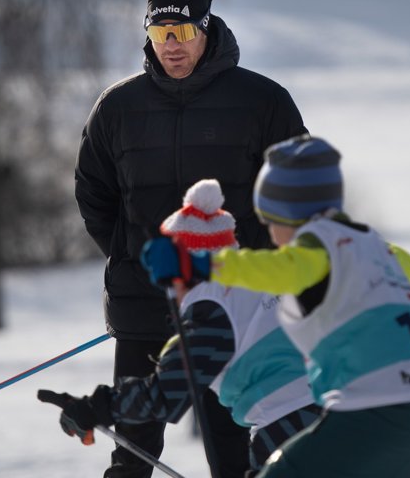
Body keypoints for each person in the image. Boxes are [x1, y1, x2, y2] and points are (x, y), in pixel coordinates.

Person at [73, 0, 308, 475]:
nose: (171, 46)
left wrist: (265, 272)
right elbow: (95, 196)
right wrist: (136, 259)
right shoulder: (117, 106)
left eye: (181, 32)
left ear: (206, 29)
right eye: (161, 35)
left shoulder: (265, 101)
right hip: (146, 299)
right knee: (133, 446)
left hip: (236, 307)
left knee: (234, 447)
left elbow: (297, 193)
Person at [140, 135, 410, 478]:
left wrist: (201, 267)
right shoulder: (361, 251)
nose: (271, 234)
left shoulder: (296, 265)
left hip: (359, 408)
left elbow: (277, 270)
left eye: (271, 221)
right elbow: (405, 265)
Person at [39, 179, 321, 477]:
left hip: (291, 429)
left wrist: (96, 408)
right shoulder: (262, 283)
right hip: (336, 415)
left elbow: (166, 393)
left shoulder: (213, 304)